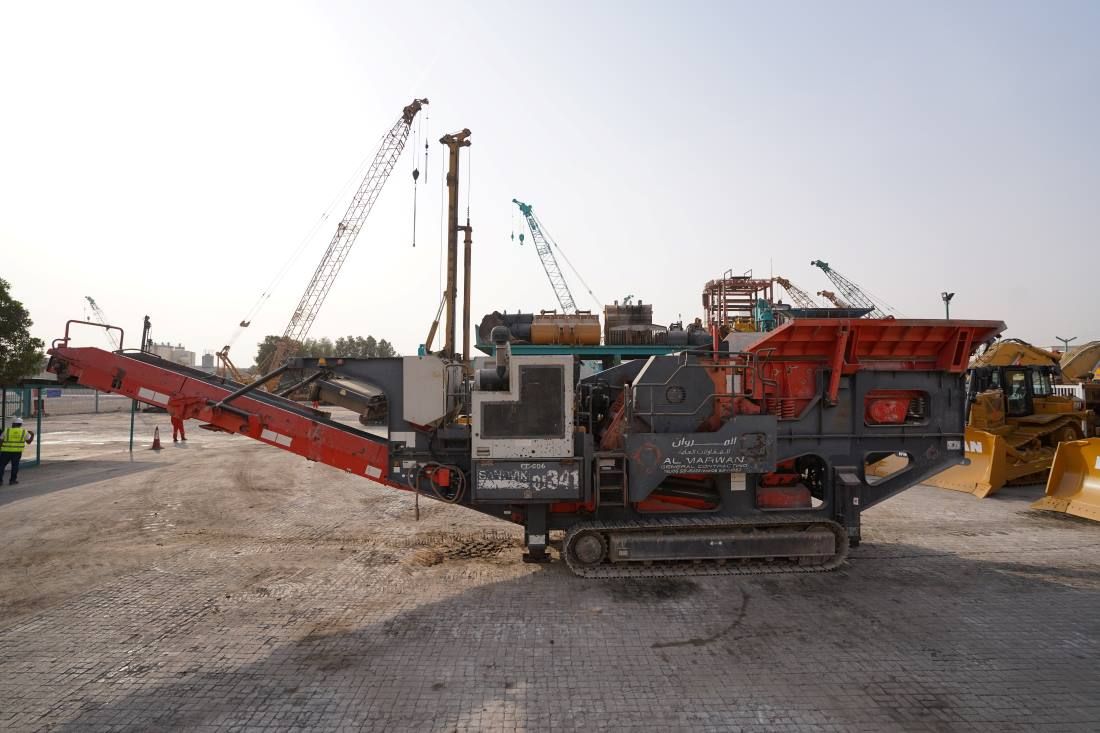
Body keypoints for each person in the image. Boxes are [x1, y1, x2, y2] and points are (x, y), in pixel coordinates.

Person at [0, 417, 34, 486]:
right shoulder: (24, 432)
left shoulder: (7, 430)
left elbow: (0, 441)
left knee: (1, 465)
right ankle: (12, 480)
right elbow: (29, 442)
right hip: (17, 452)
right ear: (20, 424)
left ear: (13, 424)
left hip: (5, 451)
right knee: (15, 466)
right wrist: (32, 435)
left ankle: (0, 481)